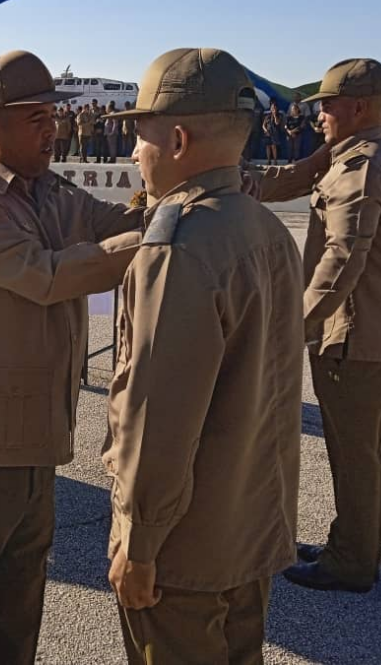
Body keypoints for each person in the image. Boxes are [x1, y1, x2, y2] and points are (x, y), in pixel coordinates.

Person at [0, 50, 145, 665]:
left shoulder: (52, 191)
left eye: (54, 116)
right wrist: (153, 237)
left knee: (18, 613)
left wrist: (174, 198)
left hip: (35, 435)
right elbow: (44, 276)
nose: (54, 129)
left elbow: (113, 219)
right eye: (37, 118)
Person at [103, 48, 305, 665]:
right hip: (249, 528)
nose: (136, 153)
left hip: (183, 552)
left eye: (141, 136)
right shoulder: (264, 227)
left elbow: (159, 417)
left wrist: (140, 545)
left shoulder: (179, 245)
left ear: (179, 138)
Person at [258, 58, 381, 594]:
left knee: (353, 452)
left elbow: (341, 261)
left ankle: (350, 561)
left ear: (356, 107)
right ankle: (354, 544)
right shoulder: (358, 155)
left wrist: (293, 327)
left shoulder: (362, 167)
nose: (319, 114)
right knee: (363, 448)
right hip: (375, 328)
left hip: (353, 334)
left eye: (326, 104)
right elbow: (296, 178)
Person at [261, 99, 285, 163]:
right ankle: (268, 160)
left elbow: (277, 123)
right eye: (272, 107)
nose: (273, 109)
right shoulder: (267, 116)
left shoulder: (279, 115)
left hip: (275, 133)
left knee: (273, 147)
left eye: (274, 107)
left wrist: (274, 115)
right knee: (268, 147)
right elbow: (263, 125)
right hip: (267, 133)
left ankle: (275, 160)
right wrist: (266, 131)